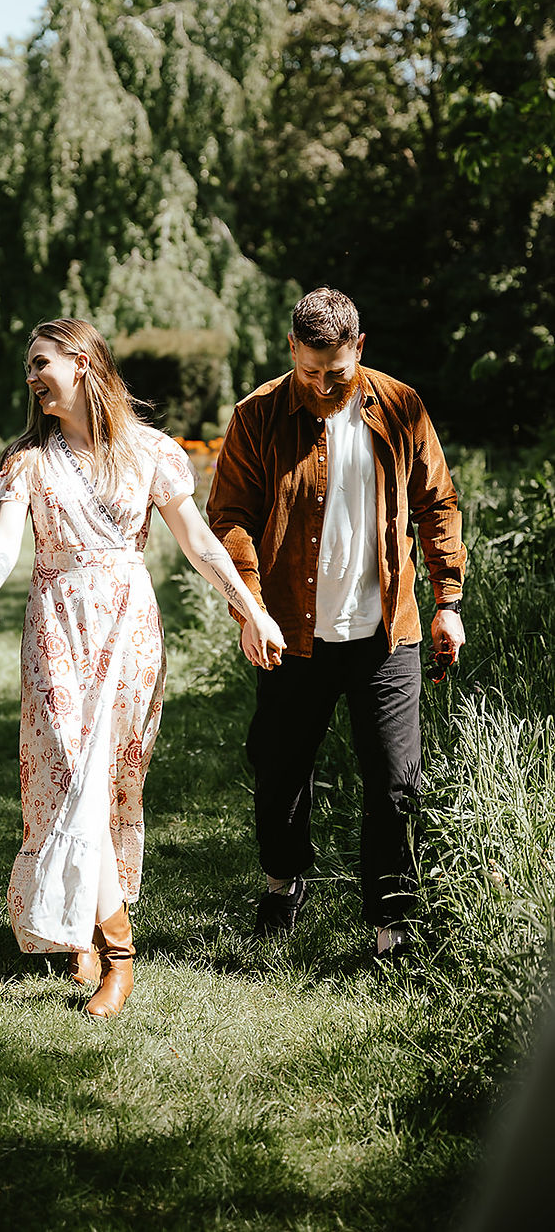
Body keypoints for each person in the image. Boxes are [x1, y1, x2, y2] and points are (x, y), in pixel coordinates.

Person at [0, 318, 285, 1018]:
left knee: (111, 782)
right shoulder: (28, 460)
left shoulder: (153, 453)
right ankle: (120, 954)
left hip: (128, 631)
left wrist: (252, 610)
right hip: (56, 630)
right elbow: (6, 542)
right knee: (68, 771)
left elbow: (197, 541)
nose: (32, 376)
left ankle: (86, 928)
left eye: (41, 362)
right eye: (28, 367)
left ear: (82, 362)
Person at [205, 286, 466, 961]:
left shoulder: (401, 407)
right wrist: (250, 608)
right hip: (292, 632)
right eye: (310, 370)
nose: (323, 385)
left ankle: (390, 924)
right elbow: (229, 517)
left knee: (394, 779)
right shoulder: (257, 416)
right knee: (280, 771)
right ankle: (284, 882)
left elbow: (437, 502)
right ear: (291, 348)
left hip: (388, 633)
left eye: (338, 372)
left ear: (360, 349)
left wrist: (449, 602)